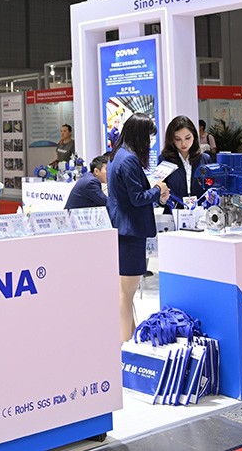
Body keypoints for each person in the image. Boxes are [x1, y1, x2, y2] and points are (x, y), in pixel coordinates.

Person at [107, 113, 169, 342]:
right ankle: (124, 345)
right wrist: (158, 189)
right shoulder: (129, 160)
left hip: (121, 228)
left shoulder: (116, 156)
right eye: (149, 137)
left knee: (125, 292)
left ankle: (130, 338)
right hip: (131, 231)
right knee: (126, 294)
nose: (150, 142)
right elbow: (137, 198)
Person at [160, 116, 205, 206]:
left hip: (200, 212)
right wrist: (162, 200)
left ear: (194, 136)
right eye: (178, 139)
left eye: (187, 138)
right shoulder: (165, 160)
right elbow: (160, 193)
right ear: (171, 139)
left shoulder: (204, 159)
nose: (183, 143)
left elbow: (210, 189)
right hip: (174, 211)